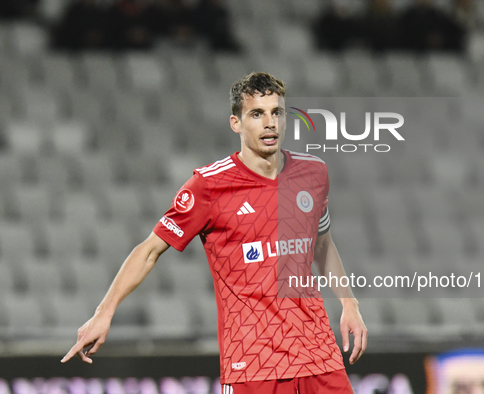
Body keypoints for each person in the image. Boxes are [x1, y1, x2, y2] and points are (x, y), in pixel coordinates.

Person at [61, 72, 367, 394]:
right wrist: (104, 312)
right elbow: (149, 250)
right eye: (257, 114)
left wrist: (350, 305)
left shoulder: (312, 173)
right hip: (253, 362)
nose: (270, 123)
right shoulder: (209, 186)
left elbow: (321, 245)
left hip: (318, 354)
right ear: (235, 123)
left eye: (276, 112)